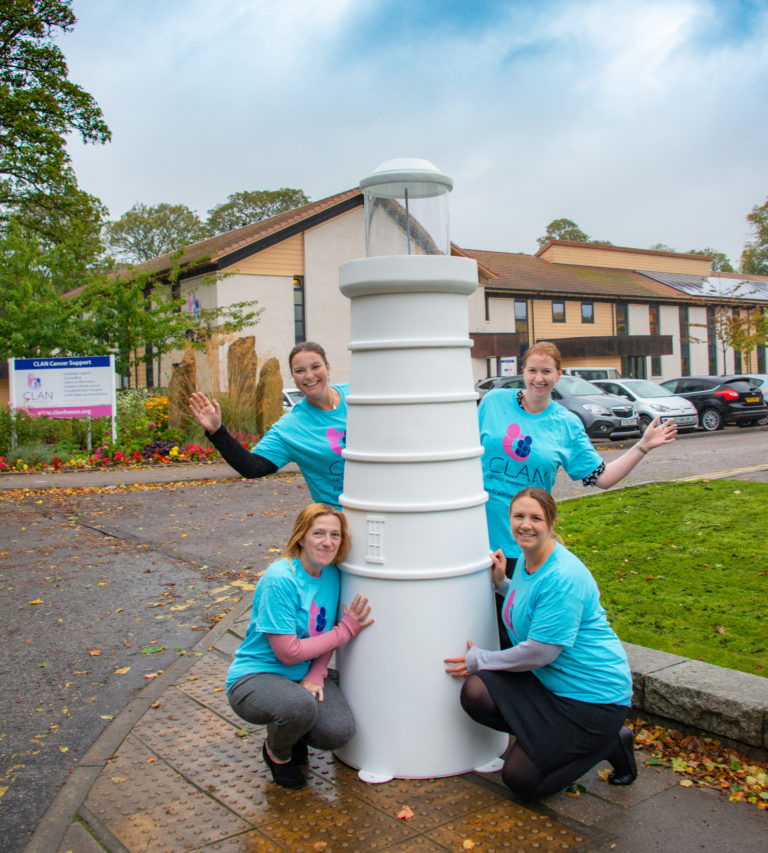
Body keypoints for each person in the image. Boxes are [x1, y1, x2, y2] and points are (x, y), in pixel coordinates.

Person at [445, 487, 637, 799]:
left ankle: (609, 741)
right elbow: (532, 606)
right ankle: (549, 741)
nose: (526, 525)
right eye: (519, 516)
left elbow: (540, 652)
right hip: (551, 687)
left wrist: (481, 659)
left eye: (536, 518)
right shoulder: (527, 557)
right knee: (477, 693)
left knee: (522, 780)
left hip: (594, 700)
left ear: (551, 522)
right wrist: (502, 584)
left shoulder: (563, 576)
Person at [479, 341, 677, 565]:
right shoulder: (493, 402)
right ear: (523, 371)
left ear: (558, 374)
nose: (538, 379)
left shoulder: (566, 425)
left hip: (524, 547)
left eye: (546, 371)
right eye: (532, 370)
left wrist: (643, 446)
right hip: (476, 540)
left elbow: (602, 478)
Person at [227, 503, 373, 789]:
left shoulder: (332, 575)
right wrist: (344, 631)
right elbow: (288, 652)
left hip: (304, 675)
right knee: (296, 707)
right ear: (301, 537)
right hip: (257, 676)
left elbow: (323, 635)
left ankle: (292, 729)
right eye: (318, 533)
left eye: (335, 535)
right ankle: (277, 753)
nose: (327, 542)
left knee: (338, 733)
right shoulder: (280, 579)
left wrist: (316, 674)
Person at [189, 341, 348, 508]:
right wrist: (217, 432)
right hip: (340, 520)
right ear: (293, 377)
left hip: (378, 505)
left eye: (315, 367)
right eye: (300, 371)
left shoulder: (357, 395)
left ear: (327, 367)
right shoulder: (290, 428)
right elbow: (252, 467)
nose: (309, 376)